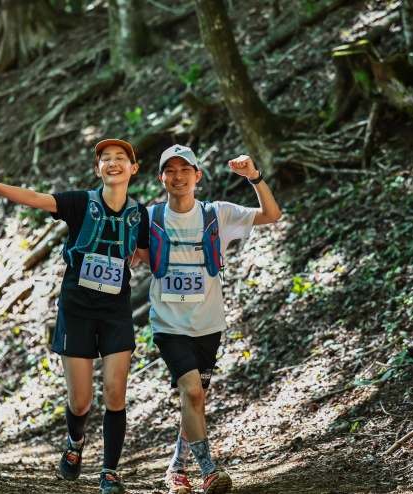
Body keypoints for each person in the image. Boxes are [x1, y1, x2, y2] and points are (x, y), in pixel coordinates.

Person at [0, 139, 150, 494]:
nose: (113, 163)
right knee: (81, 400)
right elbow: (37, 199)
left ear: (133, 168)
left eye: (120, 158)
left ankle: (109, 472)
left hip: (115, 312)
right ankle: (75, 442)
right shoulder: (81, 202)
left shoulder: (138, 214)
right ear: (98, 169)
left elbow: (144, 253)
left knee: (115, 394)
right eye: (106, 159)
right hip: (77, 311)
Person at [139, 144, 282, 494]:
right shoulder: (147, 218)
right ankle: (209, 471)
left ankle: (175, 469)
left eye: (185, 170)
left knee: (196, 399)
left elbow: (272, 214)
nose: (178, 176)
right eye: (170, 170)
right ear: (161, 178)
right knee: (191, 391)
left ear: (197, 176)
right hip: (169, 324)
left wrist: (254, 177)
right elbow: (132, 253)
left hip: (209, 325)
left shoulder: (218, 214)